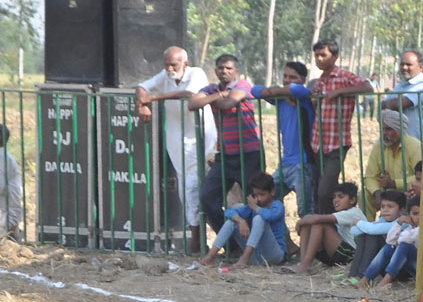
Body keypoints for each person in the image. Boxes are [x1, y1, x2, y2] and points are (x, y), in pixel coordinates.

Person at [135, 46, 216, 247]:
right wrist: (142, 104)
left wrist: (153, 98)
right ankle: (200, 240)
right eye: (167, 65)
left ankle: (198, 242)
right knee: (185, 195)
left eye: (174, 65)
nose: (170, 69)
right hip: (177, 147)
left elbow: (189, 94)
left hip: (201, 143)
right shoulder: (165, 76)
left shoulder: (196, 74)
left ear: (185, 64)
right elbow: (142, 86)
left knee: (193, 190)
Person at [191, 53, 263, 235]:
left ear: (236, 71)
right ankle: (232, 243)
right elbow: (193, 104)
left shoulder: (243, 85)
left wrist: (213, 98)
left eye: (229, 68)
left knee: (256, 200)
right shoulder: (212, 89)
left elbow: (228, 104)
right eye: (221, 68)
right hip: (225, 155)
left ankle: (259, 243)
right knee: (207, 198)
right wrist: (219, 94)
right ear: (216, 71)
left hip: (249, 154)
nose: (224, 71)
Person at [307, 38, 375, 218]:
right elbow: (317, 108)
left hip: (337, 142)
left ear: (335, 57)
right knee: (320, 188)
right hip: (318, 142)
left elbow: (368, 87)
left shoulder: (344, 76)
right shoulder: (318, 82)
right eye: (316, 55)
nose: (319, 59)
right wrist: (315, 99)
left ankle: (330, 221)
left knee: (324, 190)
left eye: (323, 55)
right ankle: (328, 224)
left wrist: (339, 92)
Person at [252, 60, 315, 210]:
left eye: (293, 77)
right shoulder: (280, 100)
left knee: (305, 209)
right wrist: (279, 92)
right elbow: (255, 90)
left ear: (303, 80)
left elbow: (296, 90)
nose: (287, 80)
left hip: (303, 164)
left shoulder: (304, 98)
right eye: (285, 76)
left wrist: (275, 91)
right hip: (285, 163)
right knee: (264, 202)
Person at [201, 172, 287, 269]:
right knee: (231, 221)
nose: (259, 198)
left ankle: (244, 258)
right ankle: (210, 257)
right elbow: (228, 212)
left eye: (262, 194)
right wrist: (241, 221)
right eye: (256, 195)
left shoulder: (277, 206)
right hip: (257, 254)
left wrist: (255, 207)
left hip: (274, 255)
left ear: (272, 192)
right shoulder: (253, 207)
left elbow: (269, 216)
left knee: (259, 219)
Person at [289, 182, 363, 274]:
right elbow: (311, 219)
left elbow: (317, 219)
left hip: (352, 256)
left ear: (352, 200)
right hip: (339, 255)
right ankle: (303, 263)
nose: (336, 200)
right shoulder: (341, 213)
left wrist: (299, 222)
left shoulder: (354, 212)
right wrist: (304, 222)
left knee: (320, 224)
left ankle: (305, 266)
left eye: (340, 197)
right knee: (308, 224)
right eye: (334, 197)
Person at [360, 112, 423, 216]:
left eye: (389, 129)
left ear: (400, 130)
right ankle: (366, 225)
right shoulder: (379, 147)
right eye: (383, 129)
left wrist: (394, 183)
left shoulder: (415, 146)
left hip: (407, 191)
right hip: (386, 192)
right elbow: (370, 176)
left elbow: (422, 177)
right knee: (364, 195)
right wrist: (377, 193)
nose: (384, 133)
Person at [362, 196, 423, 290]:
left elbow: (403, 241)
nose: (419, 217)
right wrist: (399, 223)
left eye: (421, 213)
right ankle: (365, 279)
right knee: (389, 247)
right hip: (413, 266)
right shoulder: (410, 227)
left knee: (404, 246)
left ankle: (385, 281)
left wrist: (398, 238)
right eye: (415, 214)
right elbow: (390, 241)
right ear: (409, 215)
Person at [381, 50, 423, 140]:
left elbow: (400, 104)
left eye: (409, 64)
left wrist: (392, 104)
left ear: (421, 67)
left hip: (414, 139)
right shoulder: (401, 85)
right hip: (395, 139)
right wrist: (390, 104)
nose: (404, 67)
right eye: (402, 64)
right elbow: (382, 105)